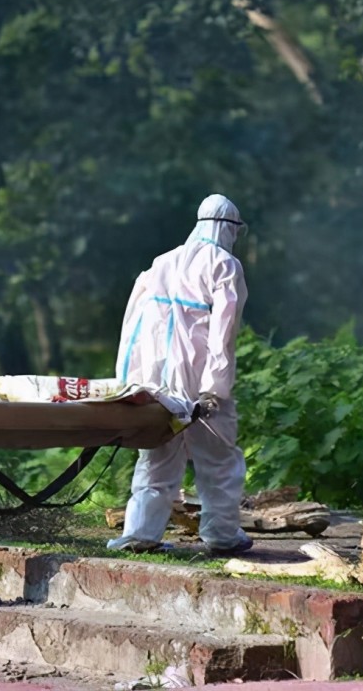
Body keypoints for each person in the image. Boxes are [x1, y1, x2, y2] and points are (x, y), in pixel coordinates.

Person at [107, 194, 252, 556]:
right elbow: (223, 333)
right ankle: (221, 534)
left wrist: (131, 380)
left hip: (157, 380)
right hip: (200, 382)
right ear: (229, 228)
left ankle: (140, 533)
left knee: (157, 457)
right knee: (218, 459)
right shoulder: (224, 265)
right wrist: (215, 387)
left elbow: (133, 326)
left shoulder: (161, 263)